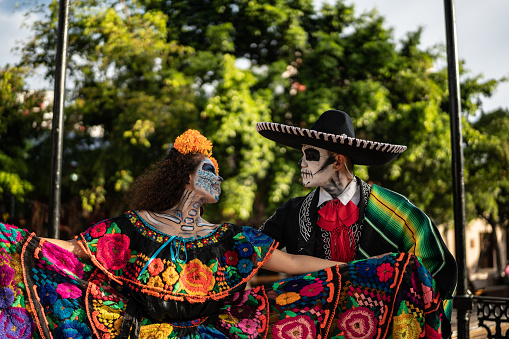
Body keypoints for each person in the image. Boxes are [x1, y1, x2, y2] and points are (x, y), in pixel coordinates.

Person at [0, 129, 444, 338]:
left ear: (340, 161)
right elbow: (71, 251)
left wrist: (366, 272)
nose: (218, 179)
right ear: (185, 177)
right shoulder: (134, 226)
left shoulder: (231, 238)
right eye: (209, 171)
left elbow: (290, 264)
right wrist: (17, 241)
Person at [256, 109, 457, 337]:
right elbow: (254, 253)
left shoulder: (394, 210)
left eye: (310, 155)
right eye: (302, 155)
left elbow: (435, 265)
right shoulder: (292, 212)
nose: (301, 163)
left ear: (338, 162)